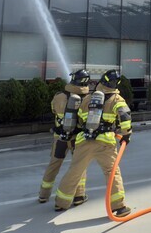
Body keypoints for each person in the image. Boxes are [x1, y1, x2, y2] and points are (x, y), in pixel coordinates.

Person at [53, 69, 133, 217]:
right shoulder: (117, 99)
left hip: (84, 140)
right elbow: (125, 117)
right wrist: (126, 135)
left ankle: (61, 203)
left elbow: (80, 118)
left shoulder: (88, 98)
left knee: (75, 170)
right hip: (105, 142)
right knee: (112, 172)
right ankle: (118, 207)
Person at [38, 69, 90, 206]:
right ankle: (79, 196)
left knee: (54, 165)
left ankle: (43, 195)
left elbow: (53, 110)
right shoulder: (87, 99)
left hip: (60, 137)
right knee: (78, 166)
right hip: (77, 138)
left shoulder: (59, 96)